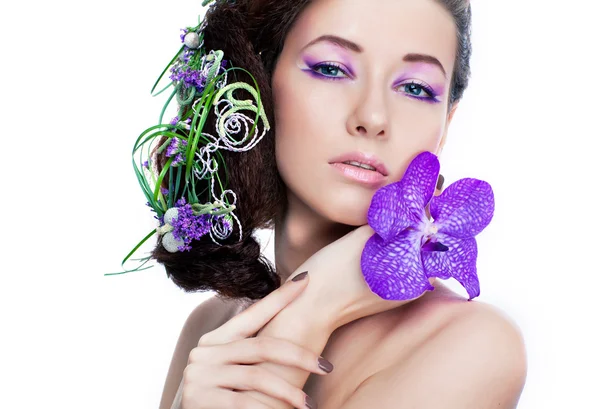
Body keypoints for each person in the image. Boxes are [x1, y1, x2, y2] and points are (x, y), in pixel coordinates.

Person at [139, 0, 527, 408]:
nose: (373, 116)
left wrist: (316, 305)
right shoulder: (212, 327)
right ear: (258, 85)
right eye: (331, 68)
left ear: (446, 125)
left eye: (415, 88)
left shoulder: (473, 346)